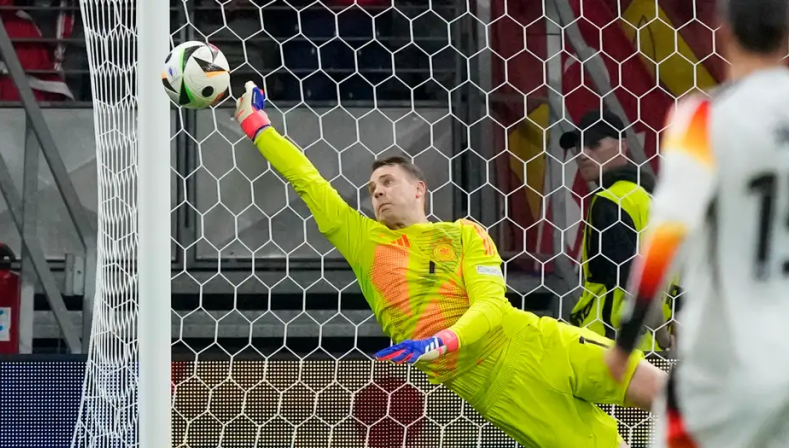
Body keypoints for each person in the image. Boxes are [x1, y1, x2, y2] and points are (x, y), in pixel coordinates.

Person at [235, 81, 667, 448]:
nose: (378, 193)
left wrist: (439, 342)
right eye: (371, 189)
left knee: (664, 391)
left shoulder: (465, 233)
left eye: (387, 182)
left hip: (539, 342)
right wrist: (259, 128)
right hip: (502, 388)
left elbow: (492, 305)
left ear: (419, 189)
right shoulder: (366, 242)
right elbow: (308, 181)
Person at [603, 0, 789, 447]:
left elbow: (669, 231)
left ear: (721, 29)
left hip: (725, 368)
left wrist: (627, 339)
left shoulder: (704, 120)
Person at [561, 109, 677, 353]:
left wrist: (665, 338)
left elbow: (634, 283)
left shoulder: (610, 201)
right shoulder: (652, 199)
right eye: (578, 146)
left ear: (623, 146)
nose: (582, 154)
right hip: (649, 347)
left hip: (610, 347)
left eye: (593, 144)